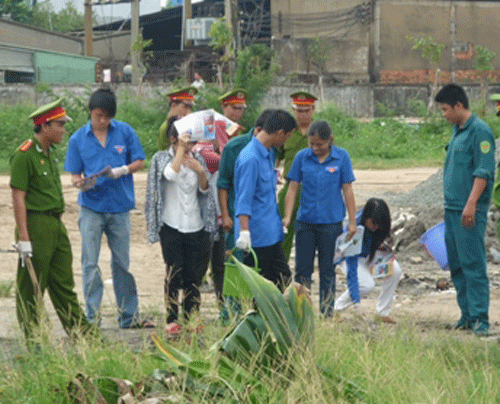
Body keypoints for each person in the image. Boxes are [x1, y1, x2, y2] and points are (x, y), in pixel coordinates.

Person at [65, 88, 152, 329]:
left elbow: (140, 161)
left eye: (107, 117)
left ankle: (128, 316)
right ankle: (92, 318)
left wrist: (122, 170)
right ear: (90, 112)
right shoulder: (77, 139)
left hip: (119, 206)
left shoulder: (124, 132)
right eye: (99, 116)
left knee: (121, 262)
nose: (103, 121)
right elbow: (74, 174)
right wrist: (80, 183)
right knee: (90, 262)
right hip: (91, 206)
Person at [10, 98, 93, 342]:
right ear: (45, 126)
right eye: (59, 125)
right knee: (32, 288)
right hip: (36, 226)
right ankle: (36, 341)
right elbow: (18, 197)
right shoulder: (25, 155)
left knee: (64, 284)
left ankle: (84, 336)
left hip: (56, 225)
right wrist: (24, 237)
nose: (63, 130)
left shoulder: (48, 153)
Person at [145, 117, 215, 335]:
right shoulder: (160, 159)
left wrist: (200, 172)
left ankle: (192, 316)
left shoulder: (197, 160)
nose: (191, 146)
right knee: (174, 272)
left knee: (195, 274)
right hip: (171, 224)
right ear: (173, 139)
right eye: (187, 140)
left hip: (195, 223)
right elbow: (169, 175)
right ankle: (172, 318)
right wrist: (179, 153)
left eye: (193, 142)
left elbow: (204, 191)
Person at [435, 83, 495, 336]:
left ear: (459, 106)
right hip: (452, 209)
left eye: (446, 109)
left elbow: (483, 172)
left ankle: (481, 318)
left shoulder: (480, 132)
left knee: (473, 265)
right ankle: (467, 315)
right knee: (457, 266)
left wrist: (471, 204)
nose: (444, 114)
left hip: (468, 211)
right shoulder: (457, 131)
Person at [282, 120, 357, 317]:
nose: (315, 148)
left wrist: (352, 221)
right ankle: (301, 313)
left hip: (331, 224)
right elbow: (292, 188)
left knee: (328, 271)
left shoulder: (342, 157)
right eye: (312, 144)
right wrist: (288, 216)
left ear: (330, 140)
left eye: (320, 145)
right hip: (305, 223)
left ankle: (327, 313)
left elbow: (348, 189)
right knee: (302, 271)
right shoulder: (302, 157)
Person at [234, 110, 297, 291]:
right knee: (264, 286)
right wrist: (244, 231)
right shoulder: (250, 158)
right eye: (287, 136)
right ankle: (262, 318)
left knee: (279, 281)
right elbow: (244, 198)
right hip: (257, 237)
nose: (286, 141)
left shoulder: (267, 154)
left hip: (270, 232)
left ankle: (271, 318)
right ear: (279, 133)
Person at [334, 198, 402, 323]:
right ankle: (336, 309)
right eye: (373, 223)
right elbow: (352, 269)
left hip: (368, 256)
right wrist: (356, 303)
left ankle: (382, 312)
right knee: (367, 286)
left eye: (379, 224)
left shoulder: (378, 227)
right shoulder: (355, 230)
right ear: (366, 218)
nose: (376, 227)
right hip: (349, 259)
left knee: (396, 270)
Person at [218, 109, 276, 251]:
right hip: (235, 213)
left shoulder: (271, 149)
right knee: (236, 257)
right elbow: (223, 183)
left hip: (260, 218)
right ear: (259, 130)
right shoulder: (234, 147)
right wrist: (225, 215)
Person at [277, 91, 317, 261]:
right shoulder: (286, 131)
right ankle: (281, 269)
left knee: (309, 233)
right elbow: (277, 157)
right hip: (289, 187)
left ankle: (305, 273)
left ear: (313, 110)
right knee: (283, 230)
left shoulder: (319, 131)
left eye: (306, 110)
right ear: (293, 111)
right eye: (299, 111)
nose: (303, 114)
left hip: (312, 188)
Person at [158, 86, 197, 151]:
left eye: (190, 108)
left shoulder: (190, 125)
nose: (189, 112)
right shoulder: (165, 127)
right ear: (173, 106)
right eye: (185, 107)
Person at [216, 89, 247, 153]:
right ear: (223, 106)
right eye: (234, 108)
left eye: (241, 108)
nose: (238, 112)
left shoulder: (240, 128)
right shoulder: (214, 125)